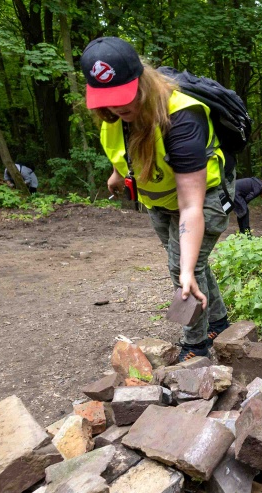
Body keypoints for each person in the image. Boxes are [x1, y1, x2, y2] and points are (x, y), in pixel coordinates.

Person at [81, 36, 232, 360]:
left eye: (124, 96)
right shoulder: (114, 117)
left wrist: (185, 271)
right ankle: (219, 322)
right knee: (193, 266)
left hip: (203, 199)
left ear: (142, 81)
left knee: (183, 268)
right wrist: (117, 173)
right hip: (159, 203)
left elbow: (191, 206)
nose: (117, 107)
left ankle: (196, 346)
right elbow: (124, 146)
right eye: (108, 99)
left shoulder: (182, 118)